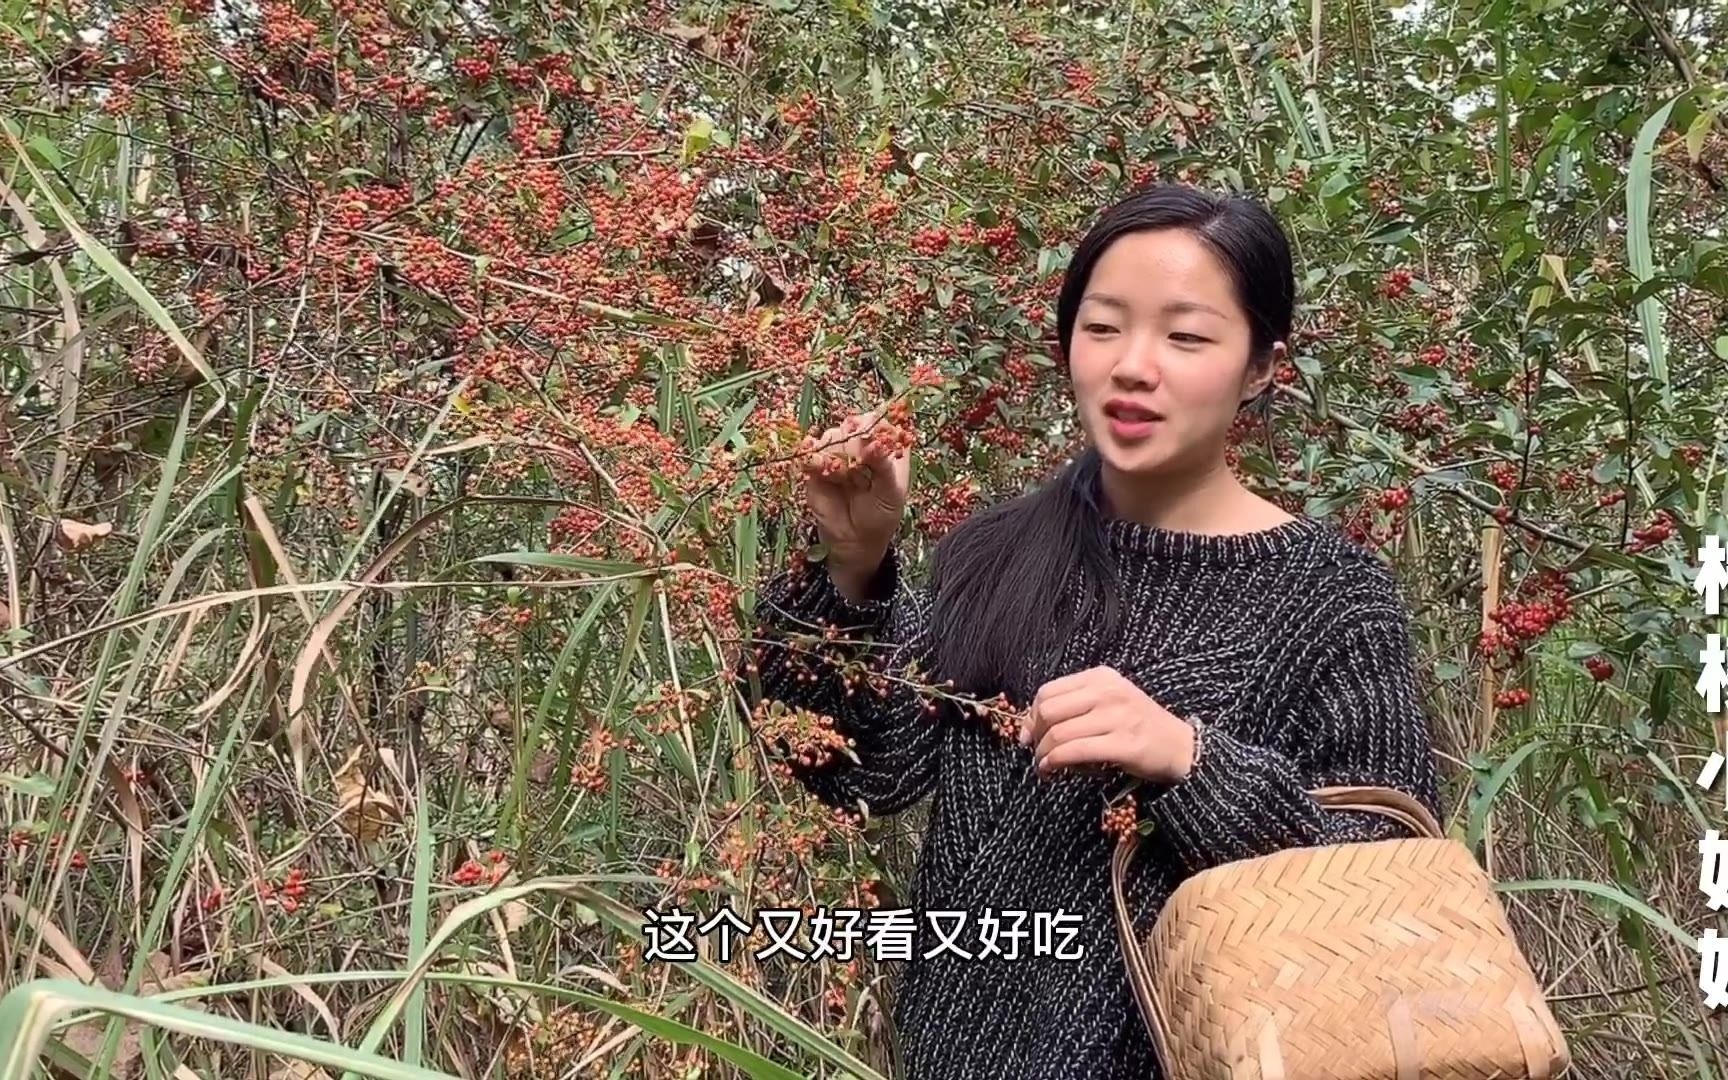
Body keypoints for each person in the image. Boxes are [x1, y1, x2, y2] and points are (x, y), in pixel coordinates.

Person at [738, 183, 1443, 1079]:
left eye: (1186, 337)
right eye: (1103, 327)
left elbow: (1390, 883)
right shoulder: (995, 553)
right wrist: (851, 565)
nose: (1132, 366)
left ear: (1263, 365)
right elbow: (853, 771)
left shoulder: (1332, 597)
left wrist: (1193, 761)